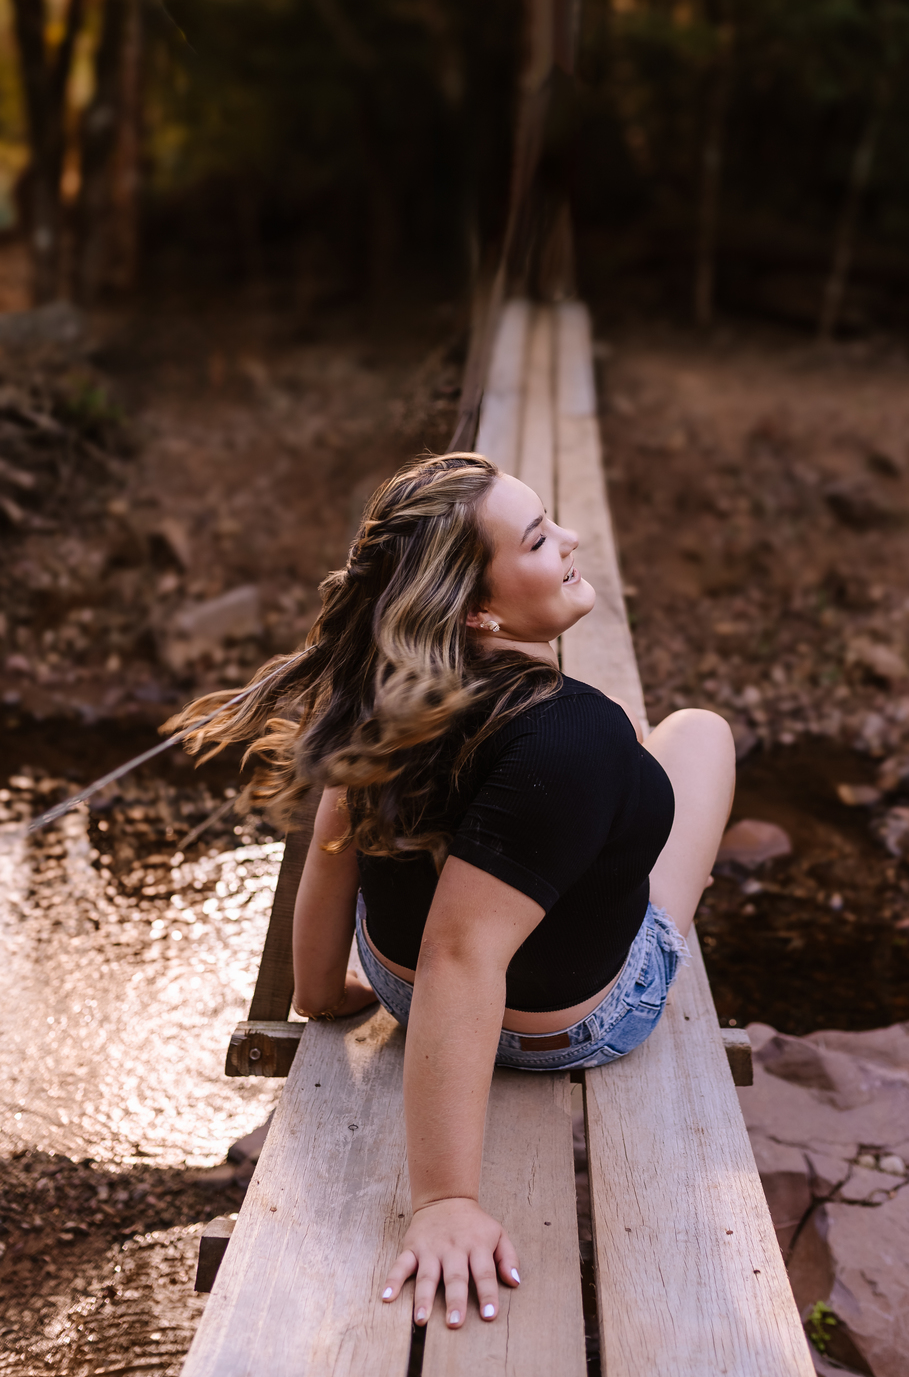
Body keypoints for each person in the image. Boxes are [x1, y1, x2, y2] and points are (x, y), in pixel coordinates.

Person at [173, 450, 734, 1331]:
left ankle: (608, 811)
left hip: (392, 981)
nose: (573, 539)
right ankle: (659, 909)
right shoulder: (569, 732)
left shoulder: (384, 695)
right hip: (561, 1028)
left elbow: (334, 854)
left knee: (616, 746)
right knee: (696, 735)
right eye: (543, 538)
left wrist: (322, 996)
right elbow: (462, 955)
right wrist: (444, 1200)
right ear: (479, 608)